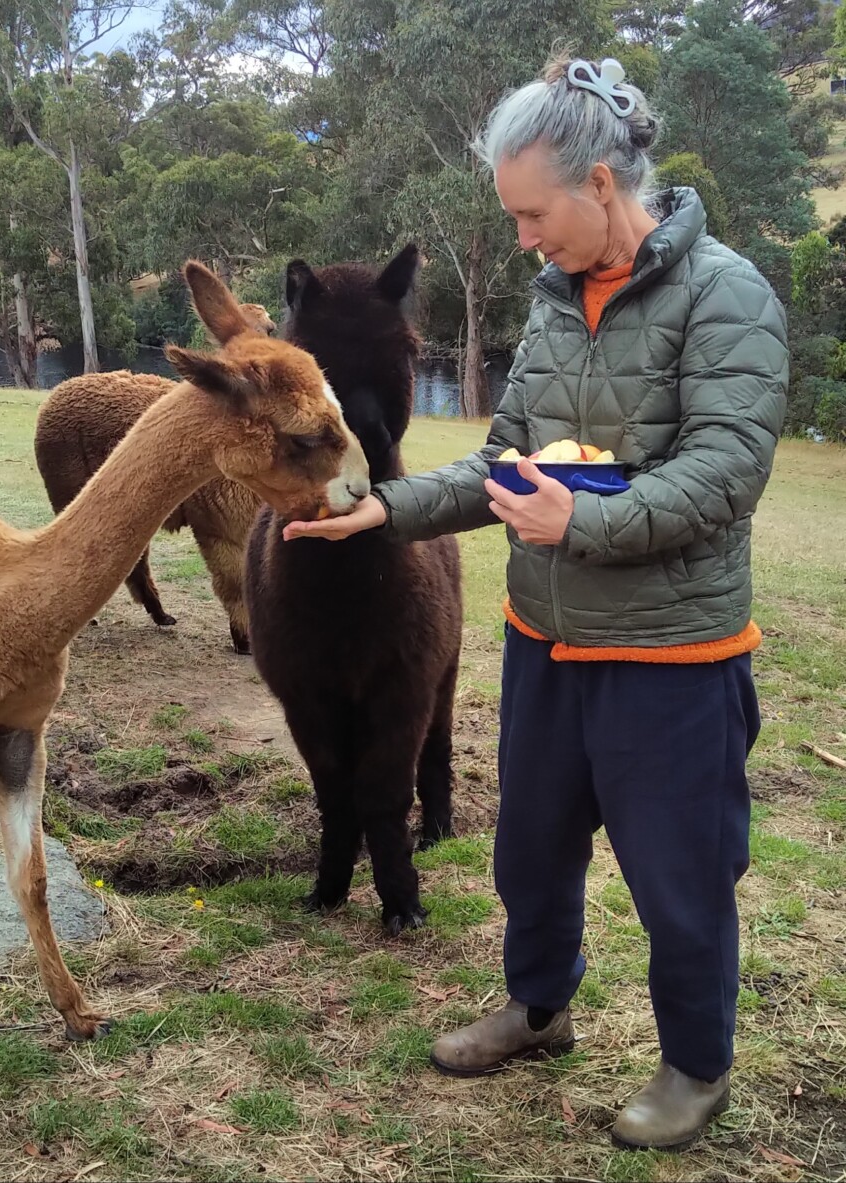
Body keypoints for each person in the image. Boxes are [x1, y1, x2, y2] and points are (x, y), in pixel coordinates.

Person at [284, 55, 787, 1151]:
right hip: (545, 641)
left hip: (673, 656)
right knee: (531, 847)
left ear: (601, 184)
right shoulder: (557, 303)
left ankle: (696, 1065)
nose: (522, 238)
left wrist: (582, 524)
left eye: (532, 212)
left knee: (680, 876)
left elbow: (726, 471)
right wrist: (392, 510)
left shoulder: (728, 297)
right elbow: (504, 462)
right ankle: (537, 1005)